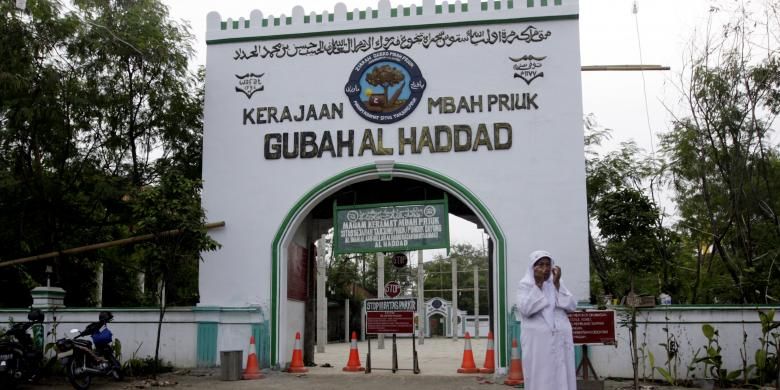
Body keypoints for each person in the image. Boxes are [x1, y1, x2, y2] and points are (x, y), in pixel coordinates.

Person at [516, 250, 577, 390]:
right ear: (533, 267)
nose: (545, 268)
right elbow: (526, 309)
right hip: (538, 344)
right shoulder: (525, 285)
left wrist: (557, 285)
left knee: (562, 375)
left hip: (560, 341)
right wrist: (538, 285)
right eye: (540, 264)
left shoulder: (557, 283)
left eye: (548, 264)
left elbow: (571, 305)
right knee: (541, 377)